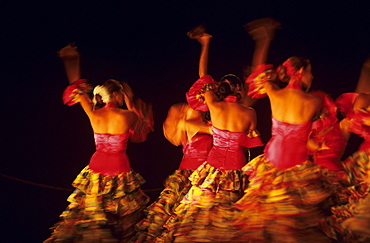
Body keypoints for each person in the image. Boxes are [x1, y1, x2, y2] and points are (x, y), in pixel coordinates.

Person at [156, 25, 263, 242]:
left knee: (199, 212)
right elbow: (252, 140)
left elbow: (203, 78)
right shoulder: (248, 112)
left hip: (212, 167)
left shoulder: (214, 107)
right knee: (228, 213)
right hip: (233, 166)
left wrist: (205, 45)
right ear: (239, 90)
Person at [232, 19, 335, 242]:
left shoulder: (275, 94)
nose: (312, 76)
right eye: (309, 72)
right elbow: (321, 123)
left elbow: (257, 75)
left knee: (265, 223)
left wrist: (263, 40)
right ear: (298, 72)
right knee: (293, 227)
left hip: (270, 163)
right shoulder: (315, 101)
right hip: (296, 168)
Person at [44, 44, 154, 242]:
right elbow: (141, 132)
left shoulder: (93, 113)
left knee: (90, 216)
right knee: (122, 219)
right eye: (121, 94)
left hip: (96, 166)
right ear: (118, 94)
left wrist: (72, 60)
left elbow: (76, 86)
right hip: (119, 167)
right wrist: (130, 102)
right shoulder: (127, 114)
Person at [130, 103, 213, 242]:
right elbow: (175, 138)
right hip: (189, 174)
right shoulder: (187, 123)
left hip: (208, 174)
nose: (202, 110)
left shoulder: (206, 123)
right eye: (198, 108)